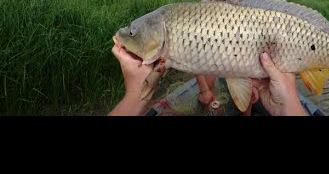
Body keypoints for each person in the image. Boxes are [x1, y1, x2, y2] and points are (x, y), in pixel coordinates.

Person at [108, 42, 308, 116]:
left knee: (250, 96)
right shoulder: (211, 2)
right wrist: (204, 90)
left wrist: (134, 96)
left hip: (254, 69)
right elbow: (197, 60)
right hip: (221, 66)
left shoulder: (261, 5)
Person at [196, 0, 266, 114]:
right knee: (206, 86)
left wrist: (254, 82)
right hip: (215, 46)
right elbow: (196, 48)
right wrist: (203, 90)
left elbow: (264, 52)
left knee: (248, 99)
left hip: (248, 52)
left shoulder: (264, 5)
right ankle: (208, 101)